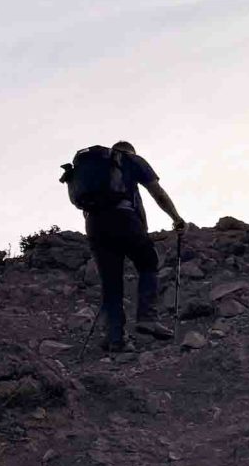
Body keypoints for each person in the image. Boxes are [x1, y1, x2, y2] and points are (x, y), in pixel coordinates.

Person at [79, 141, 186, 352]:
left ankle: (115, 338)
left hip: (94, 226)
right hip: (125, 219)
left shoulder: (94, 171)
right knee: (148, 262)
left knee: (111, 283)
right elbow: (158, 193)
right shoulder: (130, 160)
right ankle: (147, 317)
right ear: (130, 151)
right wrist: (176, 218)